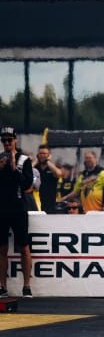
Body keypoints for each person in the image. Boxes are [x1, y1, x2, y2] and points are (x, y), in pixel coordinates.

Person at [0, 127, 34, 298]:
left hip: (19, 208)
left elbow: (28, 185)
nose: (6, 143)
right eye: (3, 140)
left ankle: (27, 285)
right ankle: (2, 286)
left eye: (9, 140)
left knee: (24, 246)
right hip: (1, 208)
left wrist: (14, 169)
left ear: (15, 140)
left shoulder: (24, 160)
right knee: (2, 248)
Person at [34, 144, 61, 213]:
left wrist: (48, 161)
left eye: (44, 153)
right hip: (36, 202)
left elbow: (58, 174)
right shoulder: (35, 167)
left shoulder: (51, 168)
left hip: (50, 204)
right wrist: (35, 161)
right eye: (40, 153)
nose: (42, 155)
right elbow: (27, 172)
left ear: (49, 155)